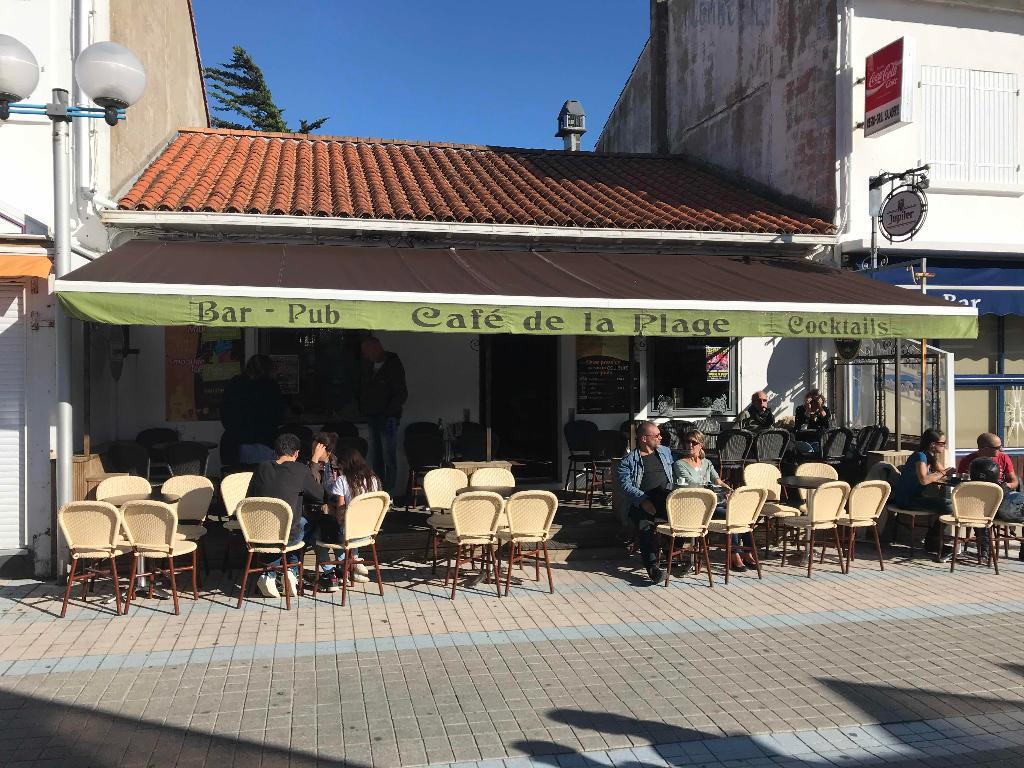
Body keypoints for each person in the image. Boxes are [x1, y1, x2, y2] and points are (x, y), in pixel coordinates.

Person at [247, 433, 327, 598]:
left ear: (274, 453)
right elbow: (319, 496)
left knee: (289, 527)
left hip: (258, 533)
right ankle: (291, 571)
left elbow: (249, 498)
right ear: (296, 453)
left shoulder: (261, 468)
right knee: (307, 523)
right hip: (287, 535)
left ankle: (268, 575)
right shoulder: (300, 469)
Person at [672, 430, 753, 571]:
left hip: (712, 504)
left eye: (694, 442)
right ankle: (735, 555)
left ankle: (748, 552)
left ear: (701, 445)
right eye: (687, 442)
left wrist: (729, 491)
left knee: (742, 512)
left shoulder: (707, 463)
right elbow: (692, 484)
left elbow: (718, 481)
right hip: (695, 507)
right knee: (731, 514)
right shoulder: (680, 464)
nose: (689, 445)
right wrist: (715, 490)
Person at [616, 421, 675, 583]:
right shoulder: (628, 460)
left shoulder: (665, 452)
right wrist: (642, 499)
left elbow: (676, 471)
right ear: (643, 439)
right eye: (656, 436)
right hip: (643, 501)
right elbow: (624, 484)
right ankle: (652, 568)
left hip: (666, 499)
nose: (660, 438)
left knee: (688, 514)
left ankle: (676, 556)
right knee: (643, 522)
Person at [317, 447, 382, 591]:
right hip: (368, 532)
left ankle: (333, 574)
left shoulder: (343, 480)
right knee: (347, 529)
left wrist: (329, 512)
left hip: (350, 534)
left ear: (345, 464)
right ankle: (353, 564)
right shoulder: (374, 479)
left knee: (321, 535)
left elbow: (340, 513)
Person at [891, 428, 954, 559]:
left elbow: (943, 472)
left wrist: (946, 472)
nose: (945, 446)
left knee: (949, 505)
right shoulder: (920, 456)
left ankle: (934, 541)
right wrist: (943, 473)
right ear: (932, 444)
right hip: (906, 500)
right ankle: (933, 542)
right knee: (950, 507)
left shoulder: (930, 457)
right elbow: (924, 479)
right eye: (942, 443)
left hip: (916, 498)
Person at [359, 337, 407, 494]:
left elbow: (401, 393)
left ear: (376, 348)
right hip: (372, 415)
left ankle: (390, 492)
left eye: (367, 352)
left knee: (388, 457)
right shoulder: (369, 365)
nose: (366, 356)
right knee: (376, 456)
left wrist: (388, 412)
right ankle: (379, 490)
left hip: (388, 417)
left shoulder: (392, 364)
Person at [220, 354, 286, 465]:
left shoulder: (235, 384)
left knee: (236, 480)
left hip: (233, 444)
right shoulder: (270, 387)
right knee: (263, 479)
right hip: (263, 443)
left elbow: (225, 413)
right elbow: (277, 417)